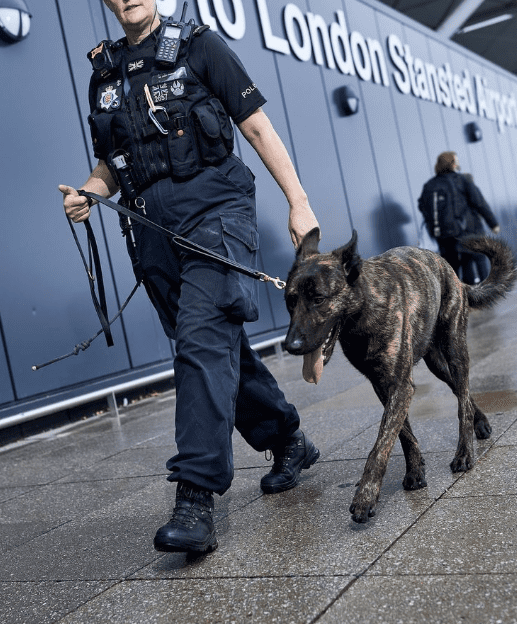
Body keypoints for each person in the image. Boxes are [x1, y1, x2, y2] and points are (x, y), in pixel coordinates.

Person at [59, 0, 321, 554]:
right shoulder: (103, 74)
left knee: (202, 341)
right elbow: (113, 163)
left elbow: (255, 127)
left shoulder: (201, 46)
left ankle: (195, 498)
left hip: (217, 212)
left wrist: (298, 203)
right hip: (153, 233)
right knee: (214, 345)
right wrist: (89, 192)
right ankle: (288, 439)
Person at [418, 151, 500, 283]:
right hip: (467, 229)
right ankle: (483, 294)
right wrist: (493, 223)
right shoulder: (462, 180)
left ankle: (460, 298)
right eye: (456, 160)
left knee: (452, 266)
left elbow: (422, 206)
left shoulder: (430, 185)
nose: (458, 163)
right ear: (451, 164)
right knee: (475, 258)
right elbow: (479, 201)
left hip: (443, 235)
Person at [459, 172, 498, 283]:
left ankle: (469, 293)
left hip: (461, 233)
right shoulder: (472, 189)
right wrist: (493, 224)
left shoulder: (455, 195)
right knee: (480, 259)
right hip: (475, 230)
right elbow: (482, 205)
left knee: (466, 262)